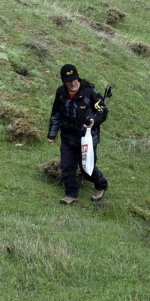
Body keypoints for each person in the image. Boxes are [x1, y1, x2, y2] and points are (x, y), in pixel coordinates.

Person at [47, 63, 108, 205]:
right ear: (63, 81)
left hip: (87, 138)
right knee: (66, 167)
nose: (73, 83)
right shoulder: (61, 93)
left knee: (86, 168)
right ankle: (71, 194)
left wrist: (94, 121)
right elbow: (56, 113)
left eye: (75, 79)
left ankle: (101, 184)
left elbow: (103, 110)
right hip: (68, 137)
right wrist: (52, 134)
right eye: (69, 81)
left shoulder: (90, 93)